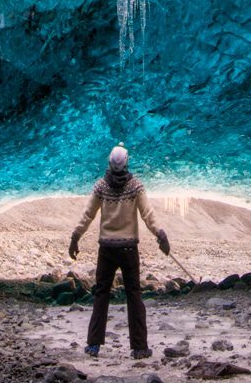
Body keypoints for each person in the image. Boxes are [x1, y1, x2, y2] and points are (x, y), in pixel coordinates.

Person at [68, 143, 169, 359]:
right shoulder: (135, 186)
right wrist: (160, 234)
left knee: (101, 294)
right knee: (134, 294)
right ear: (127, 162)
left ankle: (94, 345)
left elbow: (88, 215)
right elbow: (148, 214)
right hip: (129, 248)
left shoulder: (100, 187)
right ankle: (139, 347)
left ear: (109, 162)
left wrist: (75, 237)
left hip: (106, 248)